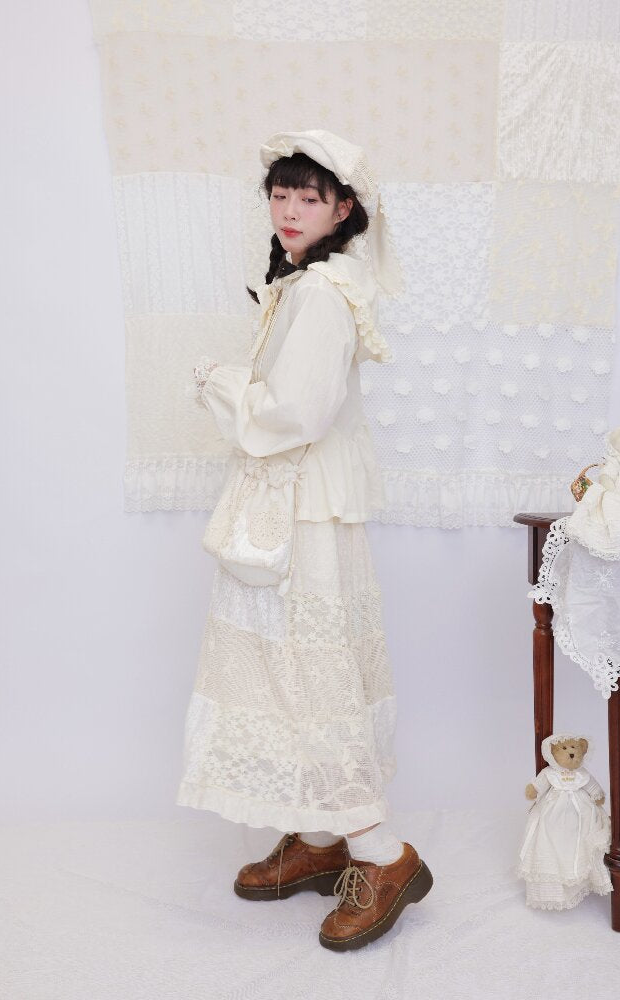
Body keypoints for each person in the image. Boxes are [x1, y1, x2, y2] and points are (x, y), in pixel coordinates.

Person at [177, 129, 433, 951]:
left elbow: (297, 415)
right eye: (280, 194)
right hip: (296, 505)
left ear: (343, 208)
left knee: (310, 678)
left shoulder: (322, 294)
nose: (289, 209)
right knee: (293, 669)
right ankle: (322, 838)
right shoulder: (307, 284)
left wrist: (220, 383)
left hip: (304, 513)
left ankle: (383, 855)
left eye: (309, 197)